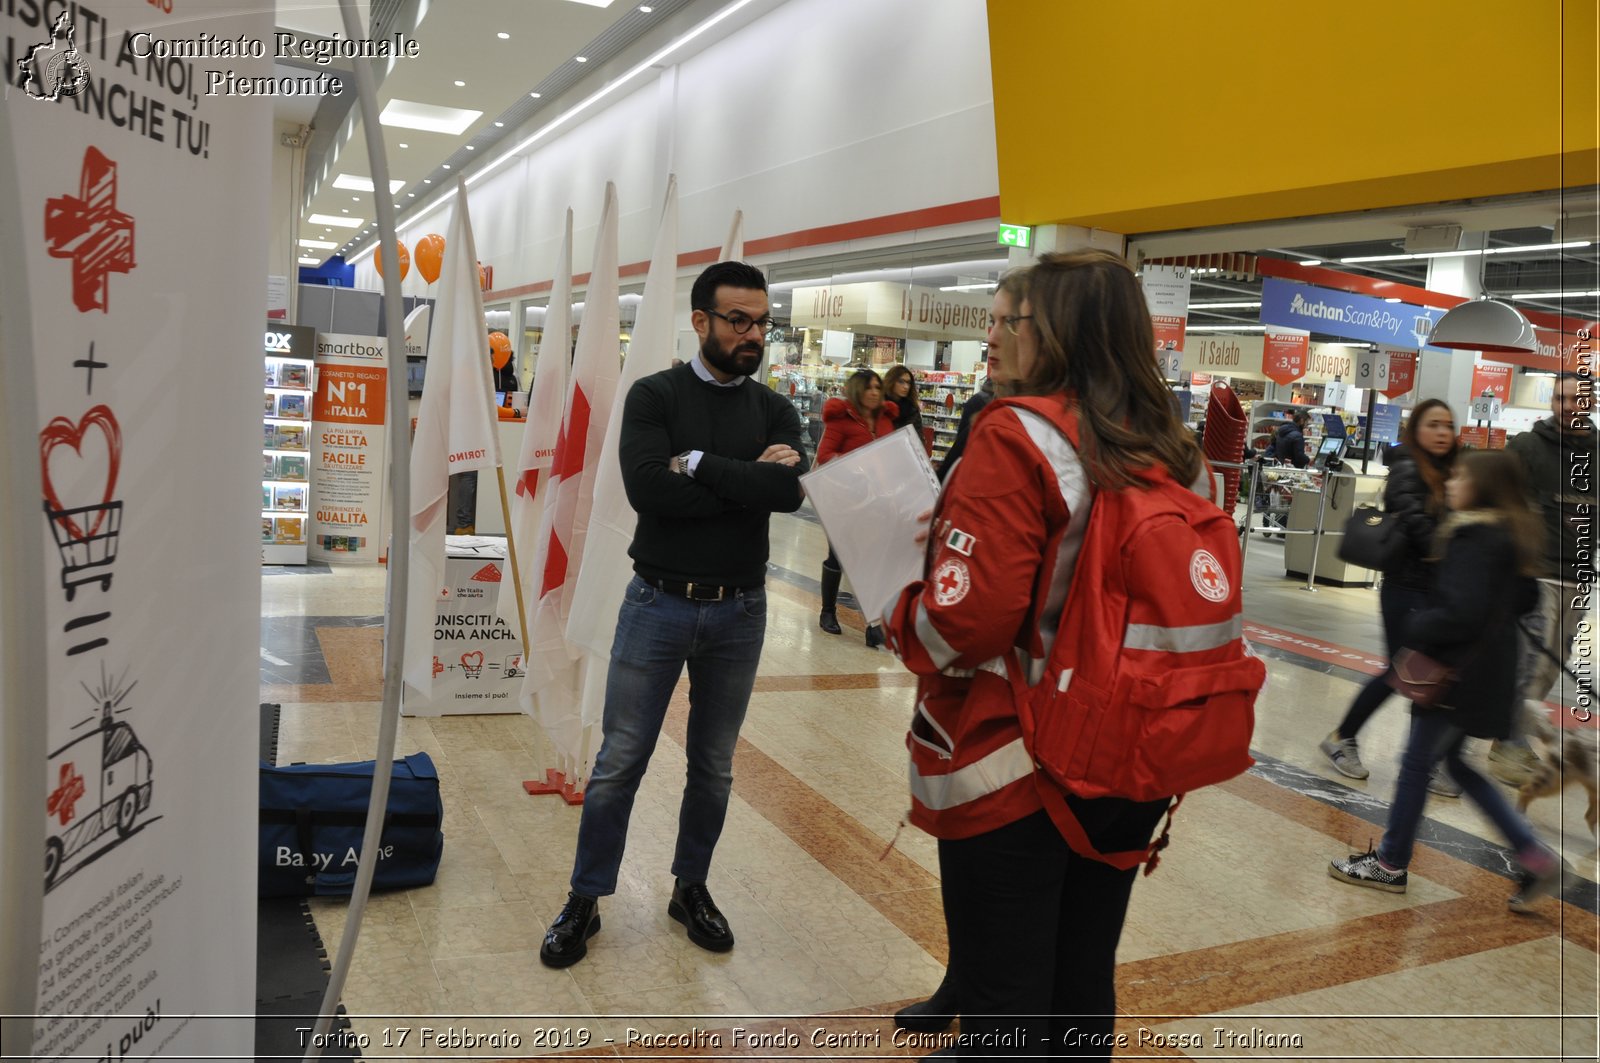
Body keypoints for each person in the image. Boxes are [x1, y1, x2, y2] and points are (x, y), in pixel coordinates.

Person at [883, 250, 1203, 1058]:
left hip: (1019, 759)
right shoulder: (1173, 448)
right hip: (1131, 752)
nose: (1000, 333)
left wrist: (901, 615)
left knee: (1005, 1003)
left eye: (1011, 320)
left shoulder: (1017, 435)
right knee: (1081, 979)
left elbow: (969, 625)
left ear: (1052, 331)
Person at [538, 261, 808, 968]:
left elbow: (786, 494)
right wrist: (744, 476)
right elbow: (648, 491)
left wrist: (700, 464)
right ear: (701, 321)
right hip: (658, 601)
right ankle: (584, 897)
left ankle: (691, 887)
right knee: (620, 759)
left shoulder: (775, 408)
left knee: (713, 766)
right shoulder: (654, 394)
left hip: (741, 610)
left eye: (761, 322)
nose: (752, 335)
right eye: (737, 321)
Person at [1329, 450, 1560, 912]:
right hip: (1485, 673)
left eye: (1462, 476)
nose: (1452, 482)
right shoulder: (1512, 536)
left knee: (1417, 764)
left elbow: (1461, 612)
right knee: (1454, 765)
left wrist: (1419, 624)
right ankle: (1534, 856)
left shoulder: (1474, 537)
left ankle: (1391, 864)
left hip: (1455, 675)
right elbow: (1523, 598)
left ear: (1483, 487)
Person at [1319, 399, 1460, 794]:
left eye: (1448, 425)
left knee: (1425, 673)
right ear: (1416, 429)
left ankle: (1422, 760)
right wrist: (1445, 548)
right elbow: (1414, 518)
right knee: (1402, 670)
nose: (1442, 432)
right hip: (1407, 586)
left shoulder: (1447, 471)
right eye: (1433, 424)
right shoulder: (1407, 468)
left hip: (1434, 588)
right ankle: (1342, 738)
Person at [1494, 371, 1599, 784]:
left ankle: (1512, 735)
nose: (1567, 406)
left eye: (1575, 399)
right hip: (1535, 572)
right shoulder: (1526, 448)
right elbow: (1501, 500)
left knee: (1556, 662)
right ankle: (1510, 743)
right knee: (1531, 662)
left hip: (1578, 575)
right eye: (1559, 398)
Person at [815, 368, 898, 646]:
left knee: (873, 560)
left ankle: (873, 622)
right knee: (838, 555)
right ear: (857, 390)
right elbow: (825, 456)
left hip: (878, 502)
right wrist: (856, 468)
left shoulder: (886, 420)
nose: (875, 392)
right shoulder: (842, 420)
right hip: (845, 501)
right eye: (869, 387)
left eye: (878, 387)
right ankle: (827, 611)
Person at [882, 364, 927, 446]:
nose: (906, 387)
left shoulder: (912, 409)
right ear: (891, 381)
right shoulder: (880, 406)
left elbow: (919, 439)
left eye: (908, 383)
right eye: (901, 382)